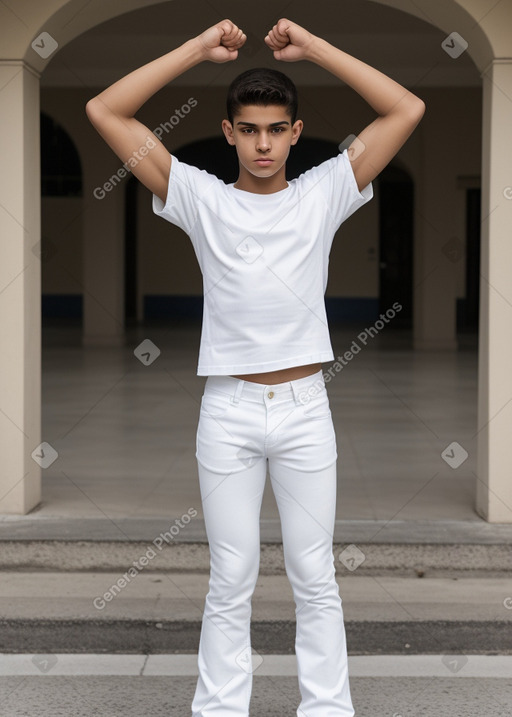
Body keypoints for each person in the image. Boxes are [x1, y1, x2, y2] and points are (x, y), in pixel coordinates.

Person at [86, 17, 425, 716]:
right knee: (229, 578)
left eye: (276, 129)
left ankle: (328, 709)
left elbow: (406, 109)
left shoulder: (324, 192)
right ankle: (218, 709)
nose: (263, 143)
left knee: (315, 577)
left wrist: (317, 49)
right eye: (249, 129)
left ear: (296, 132)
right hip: (229, 411)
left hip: (304, 410)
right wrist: (195, 50)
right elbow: (105, 111)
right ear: (230, 131)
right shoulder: (202, 198)